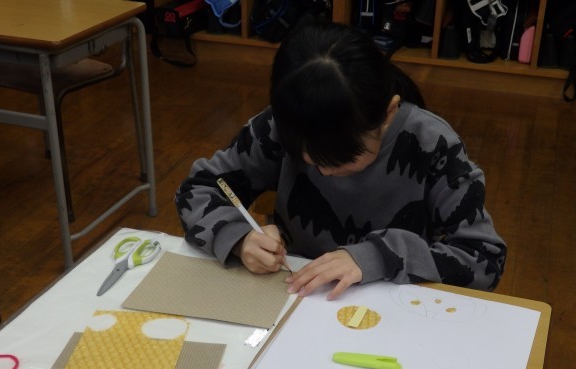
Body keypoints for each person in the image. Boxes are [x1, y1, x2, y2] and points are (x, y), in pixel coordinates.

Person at [175, 19, 506, 300]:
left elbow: (484, 259)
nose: (325, 171)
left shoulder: (432, 144)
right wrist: (238, 238)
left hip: (394, 306)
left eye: (344, 157)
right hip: (296, 294)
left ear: (389, 112)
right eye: (310, 158)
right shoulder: (281, 126)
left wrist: (377, 256)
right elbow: (199, 189)